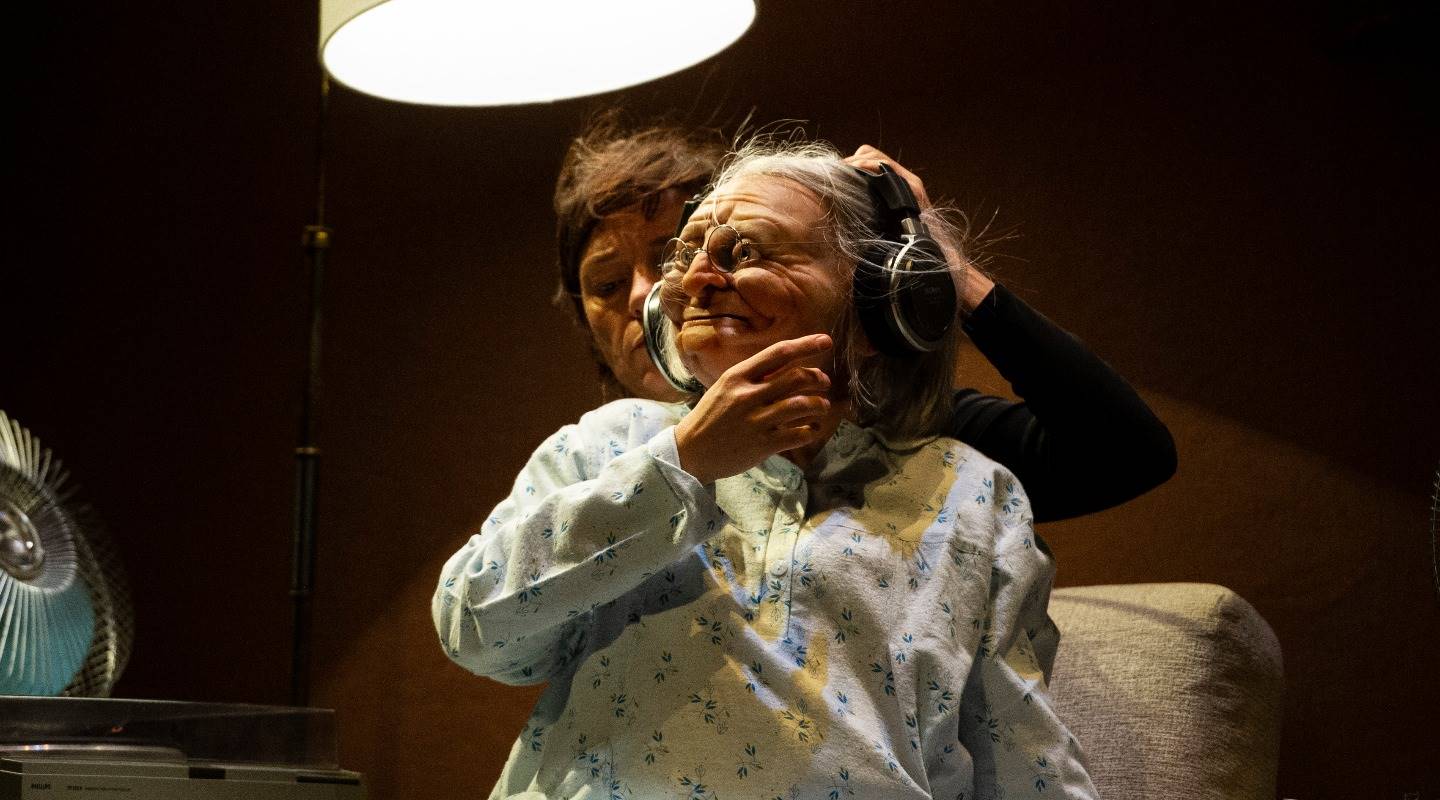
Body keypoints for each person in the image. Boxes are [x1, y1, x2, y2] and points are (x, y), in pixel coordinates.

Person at [435, 137, 1098, 798]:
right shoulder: (607, 444)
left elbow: (1028, 765)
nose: (692, 280)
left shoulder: (972, 492)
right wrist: (683, 463)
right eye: (686, 255)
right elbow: (475, 632)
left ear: (877, 300)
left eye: (745, 252)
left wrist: (940, 268)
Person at [554, 117, 1175, 523]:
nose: (666, 289)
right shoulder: (589, 457)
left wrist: (932, 270)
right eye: (607, 284)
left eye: (739, 250)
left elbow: (1129, 454)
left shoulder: (933, 449)